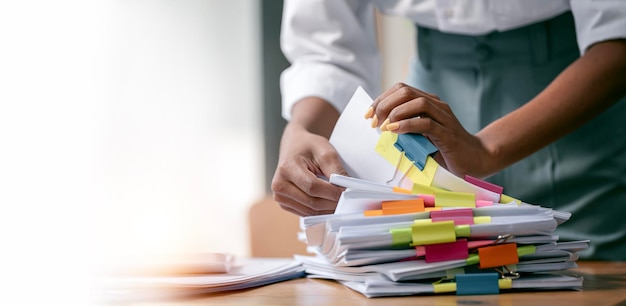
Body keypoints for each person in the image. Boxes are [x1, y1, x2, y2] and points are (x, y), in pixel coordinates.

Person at [271, 0, 626, 260]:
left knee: (583, 270)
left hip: (572, 106)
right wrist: (299, 130)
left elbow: (618, 33)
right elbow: (325, 52)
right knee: (431, 272)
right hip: (424, 118)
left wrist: (487, 148)